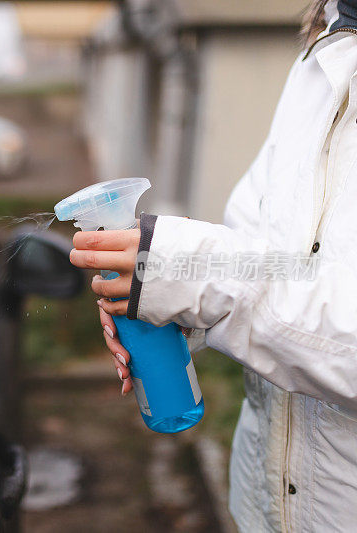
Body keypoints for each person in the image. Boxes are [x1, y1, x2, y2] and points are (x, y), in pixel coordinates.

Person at [69, 1, 357, 531]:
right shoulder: (323, 57)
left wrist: (200, 281)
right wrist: (172, 303)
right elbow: (260, 247)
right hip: (265, 504)